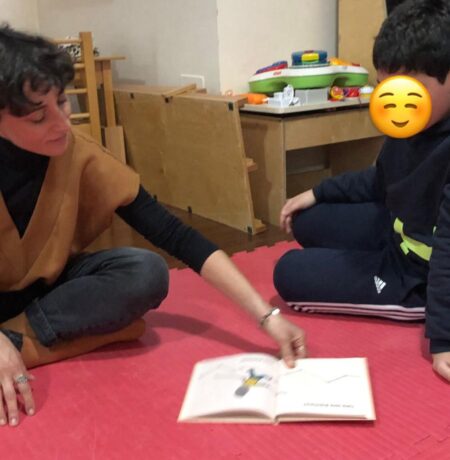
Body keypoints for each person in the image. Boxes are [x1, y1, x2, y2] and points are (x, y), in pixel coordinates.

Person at [0, 25, 307, 427]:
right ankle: (29, 344)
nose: (61, 124)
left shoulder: (77, 153)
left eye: (62, 102)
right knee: (123, 321)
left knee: (144, 271)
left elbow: (174, 234)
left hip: (46, 295)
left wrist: (267, 317)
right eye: (39, 117)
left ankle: (15, 341)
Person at [274, 0, 450, 382]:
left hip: (419, 274)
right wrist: (318, 192)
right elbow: (380, 180)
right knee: (306, 219)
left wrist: (444, 339)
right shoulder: (411, 122)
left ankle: (419, 304)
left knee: (287, 273)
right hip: (398, 230)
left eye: (412, 88)